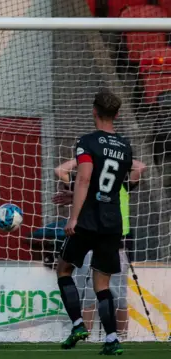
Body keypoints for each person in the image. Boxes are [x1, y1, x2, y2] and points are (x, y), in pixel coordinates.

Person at [57, 89, 133, 355]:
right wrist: (77, 197)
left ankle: (78, 323)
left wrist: (74, 215)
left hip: (88, 220)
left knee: (64, 269)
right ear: (118, 114)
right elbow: (111, 186)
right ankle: (112, 338)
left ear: (94, 111)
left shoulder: (87, 142)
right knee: (103, 285)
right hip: (113, 222)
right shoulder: (125, 146)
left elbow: (86, 179)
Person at [54, 157, 146, 340]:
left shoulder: (121, 182)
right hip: (88, 238)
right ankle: (85, 338)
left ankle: (122, 337)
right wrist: (84, 158)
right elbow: (60, 170)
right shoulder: (84, 182)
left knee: (118, 295)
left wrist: (114, 157)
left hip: (118, 242)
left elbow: (140, 166)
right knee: (88, 293)